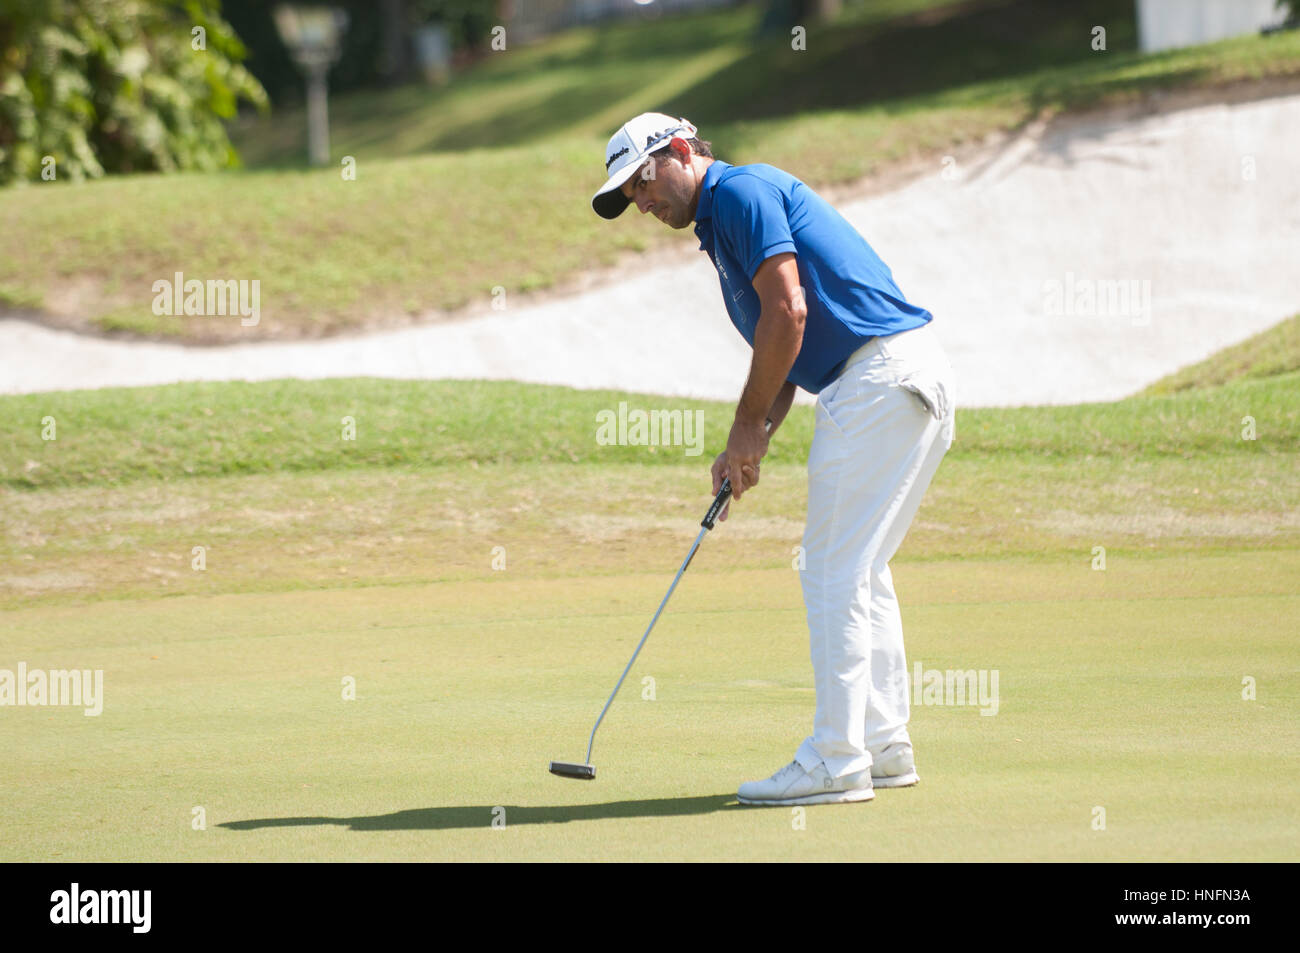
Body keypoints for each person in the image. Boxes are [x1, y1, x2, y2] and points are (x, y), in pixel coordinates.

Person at [591, 113, 956, 806]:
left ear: (678, 151)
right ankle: (881, 744)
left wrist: (743, 425)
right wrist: (752, 440)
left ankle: (836, 759)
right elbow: (784, 341)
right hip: (903, 377)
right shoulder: (722, 227)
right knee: (861, 567)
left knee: (831, 568)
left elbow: (788, 312)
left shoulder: (738, 192)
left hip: (879, 379)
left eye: (642, 181)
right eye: (630, 197)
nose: (641, 202)